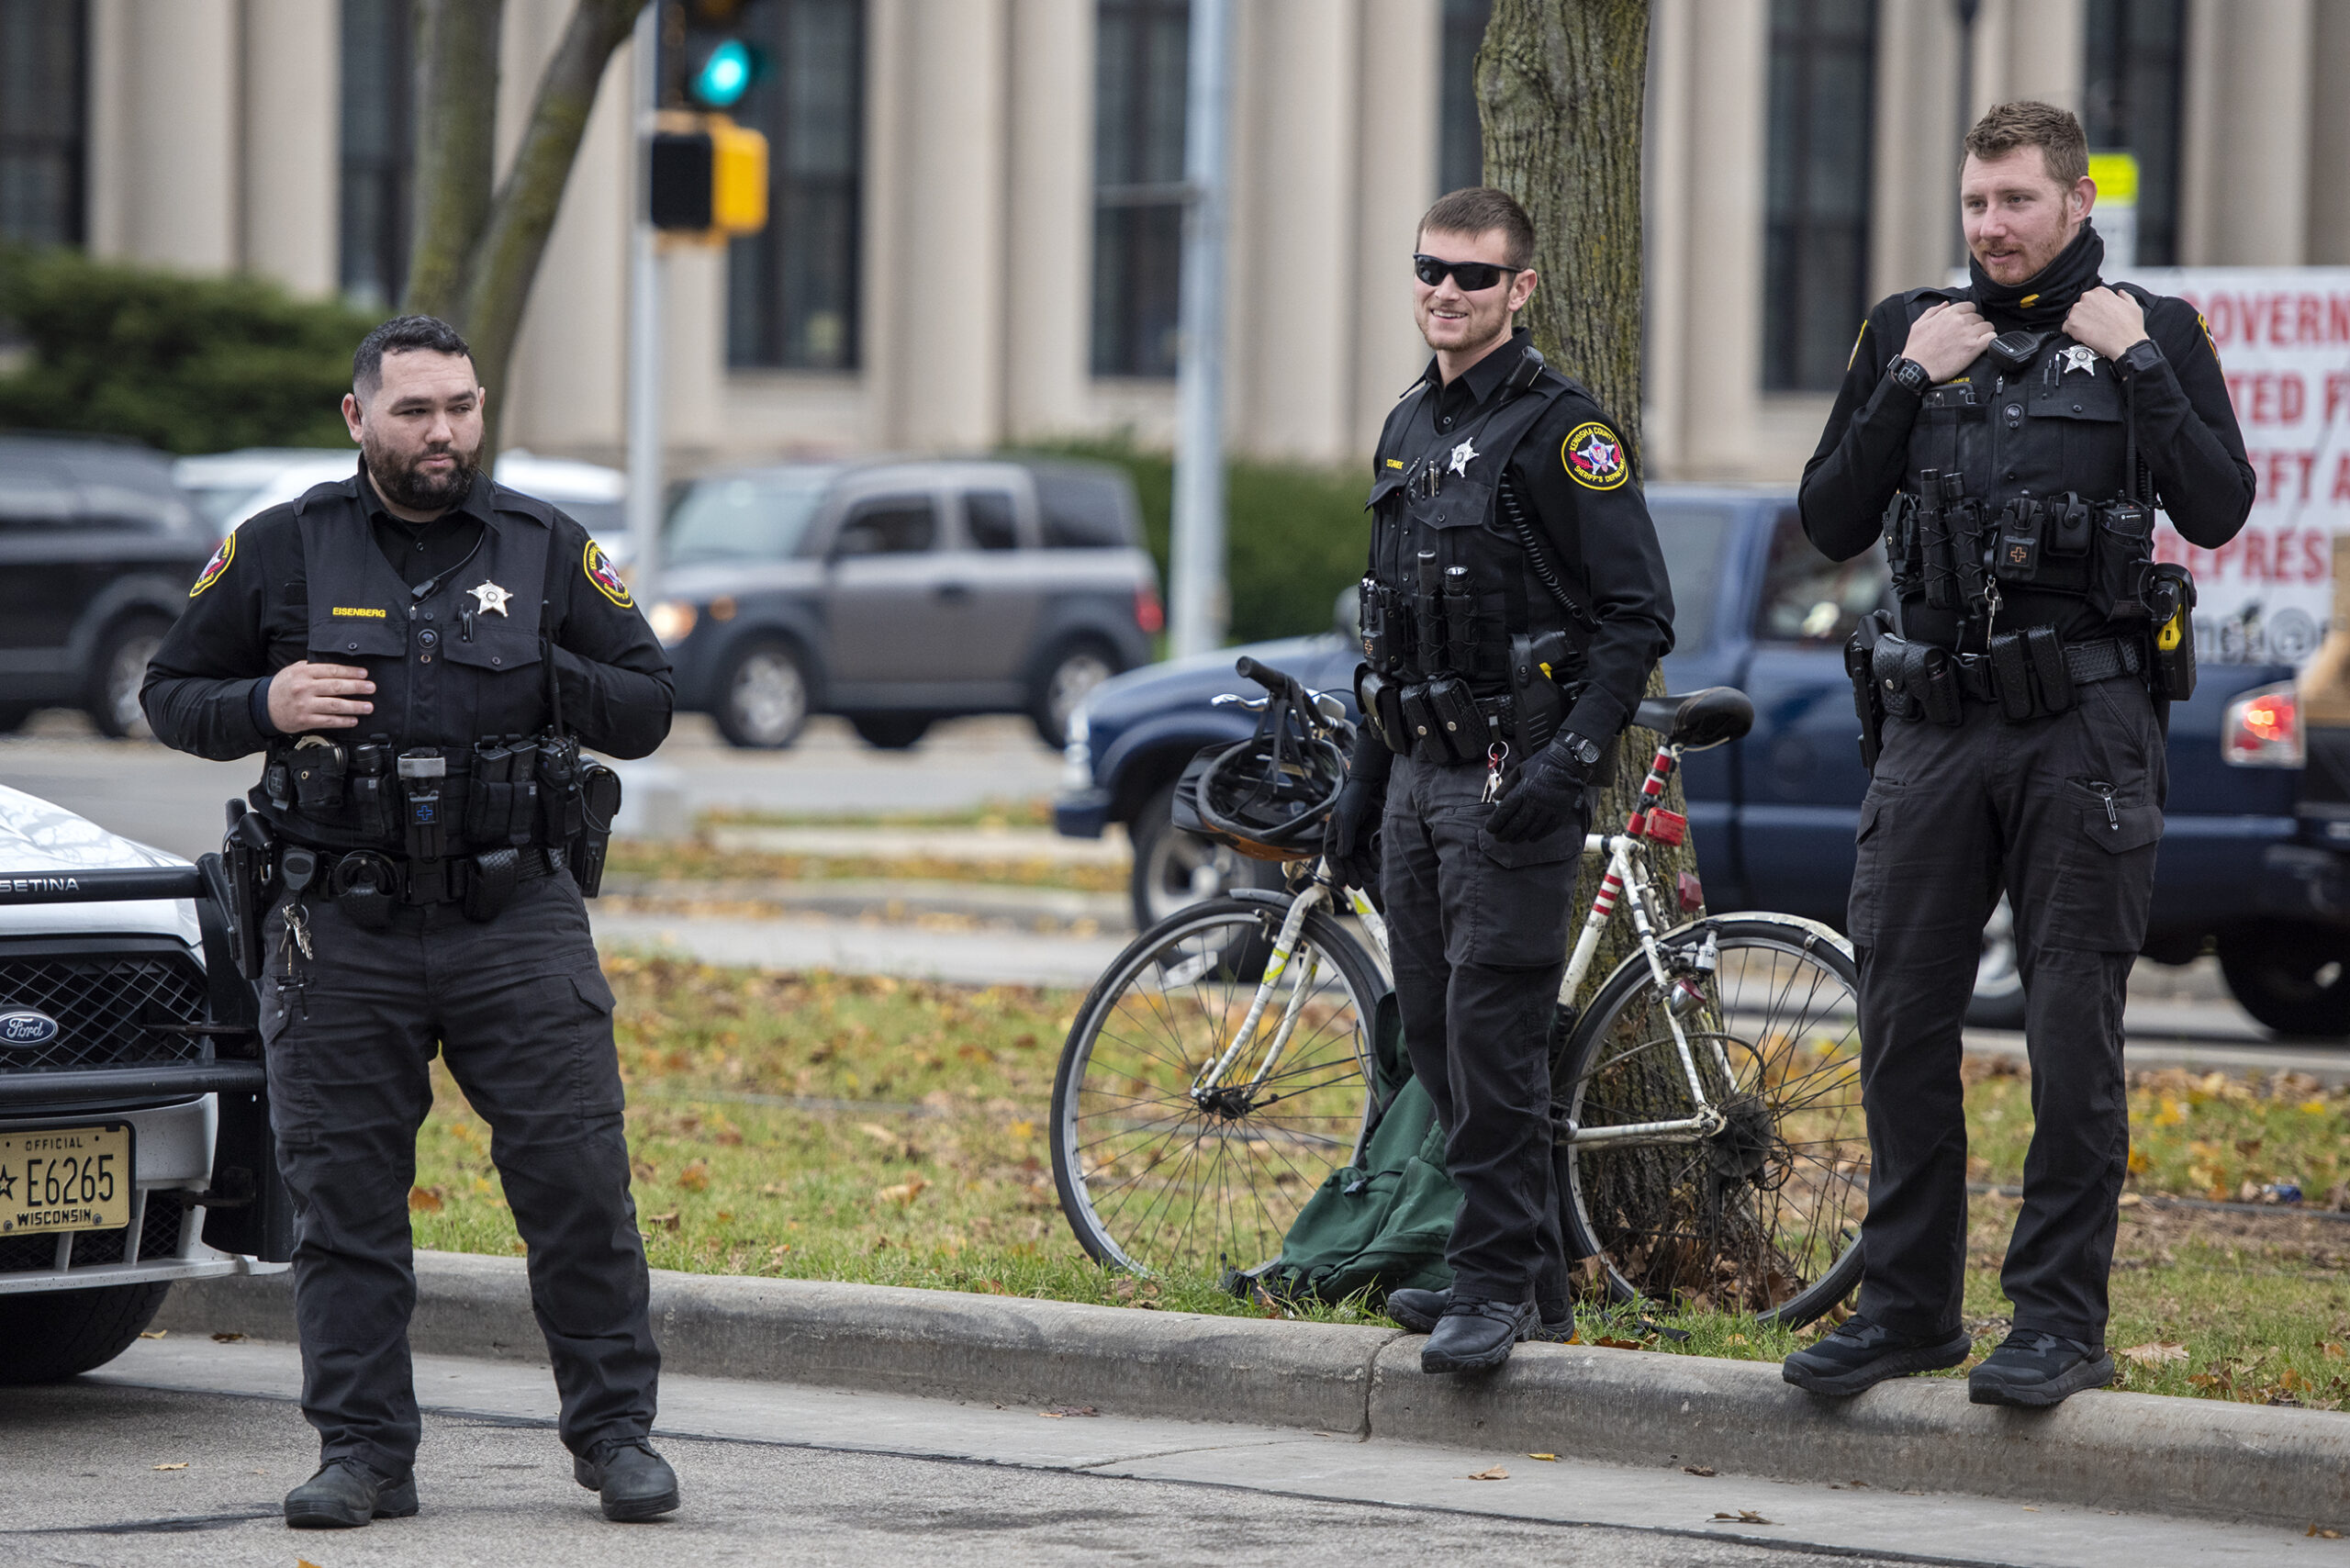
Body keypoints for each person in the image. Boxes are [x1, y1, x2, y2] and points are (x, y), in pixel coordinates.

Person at [141, 316, 682, 1526]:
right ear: (357, 419)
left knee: (578, 1186)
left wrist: (554, 674)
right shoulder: (280, 551)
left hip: (516, 920)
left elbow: (648, 702)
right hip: (341, 929)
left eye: (462, 408)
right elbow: (169, 694)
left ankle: (616, 1440)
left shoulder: (546, 549)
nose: (443, 433)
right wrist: (264, 701)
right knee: (344, 1209)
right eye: (415, 411)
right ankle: (364, 1456)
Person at [1782, 103, 2253, 1406]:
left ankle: (2056, 1320)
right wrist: (1904, 382)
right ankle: (1908, 1310)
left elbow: (2218, 504)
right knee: (1900, 1023)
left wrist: (2140, 369)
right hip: (1932, 726)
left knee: (2070, 1033)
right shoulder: (1908, 330)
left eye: (2016, 202)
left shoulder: (2147, 332)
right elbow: (1827, 518)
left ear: (2078, 202)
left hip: (2082, 727)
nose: (1991, 226)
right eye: (1977, 201)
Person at [1323, 186, 1675, 1374]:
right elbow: (1390, 636)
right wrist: (1360, 794)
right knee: (1431, 1031)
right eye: (1430, 268)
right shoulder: (1409, 425)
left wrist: (1573, 759)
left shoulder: (1563, 431)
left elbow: (1636, 620)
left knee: (1493, 1033)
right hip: (1419, 778)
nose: (1446, 292)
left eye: (1474, 275)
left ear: (1522, 288)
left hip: (1511, 781)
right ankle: (1524, 1273)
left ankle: (1491, 1285)